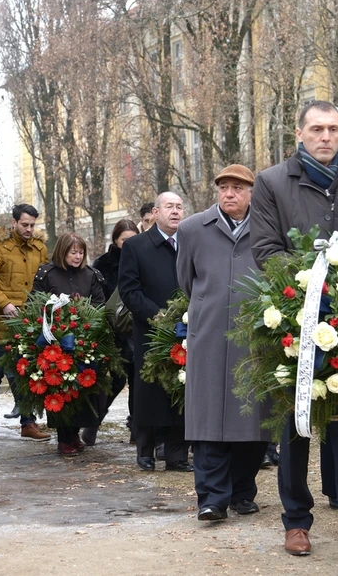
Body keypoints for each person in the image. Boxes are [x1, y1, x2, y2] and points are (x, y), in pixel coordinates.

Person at [249, 100, 338, 568]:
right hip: (292, 316)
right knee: (295, 426)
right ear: (299, 132)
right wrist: (310, 285)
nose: (326, 136)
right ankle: (296, 521)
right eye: (317, 128)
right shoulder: (272, 182)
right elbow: (265, 248)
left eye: (333, 129)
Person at [177, 164, 272, 521]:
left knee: (252, 420)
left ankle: (242, 492)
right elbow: (186, 281)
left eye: (237, 188)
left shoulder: (268, 229)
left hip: (255, 340)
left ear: (251, 194)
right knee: (208, 421)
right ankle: (212, 498)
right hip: (210, 336)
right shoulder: (191, 230)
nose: (229, 194)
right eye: (223, 188)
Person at [118, 192, 192, 473]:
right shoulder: (136, 246)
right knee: (149, 392)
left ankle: (177, 455)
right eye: (169, 207)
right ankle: (146, 451)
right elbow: (129, 290)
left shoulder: (188, 244)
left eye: (179, 207)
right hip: (150, 330)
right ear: (155, 211)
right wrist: (156, 316)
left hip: (186, 327)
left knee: (181, 387)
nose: (175, 212)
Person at [0, 204, 51, 442]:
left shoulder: (40, 249)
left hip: (31, 320)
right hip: (3, 320)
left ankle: (28, 423)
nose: (29, 229)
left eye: (32, 225)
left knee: (27, 372)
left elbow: (47, 278)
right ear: (14, 222)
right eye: (25, 224)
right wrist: (4, 303)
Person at [32, 233, 106, 456]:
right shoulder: (48, 274)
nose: (77, 256)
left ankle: (74, 433)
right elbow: (36, 303)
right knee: (60, 387)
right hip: (56, 340)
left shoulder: (91, 275)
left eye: (81, 252)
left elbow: (100, 303)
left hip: (85, 339)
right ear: (62, 252)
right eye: (73, 252)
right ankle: (64, 436)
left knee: (83, 389)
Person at [87, 218, 139, 445]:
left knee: (139, 381)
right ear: (115, 240)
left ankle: (138, 429)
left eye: (133, 240)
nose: (128, 244)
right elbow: (96, 296)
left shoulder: (143, 259)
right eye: (124, 240)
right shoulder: (103, 264)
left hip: (138, 327)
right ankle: (94, 421)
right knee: (115, 380)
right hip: (112, 329)